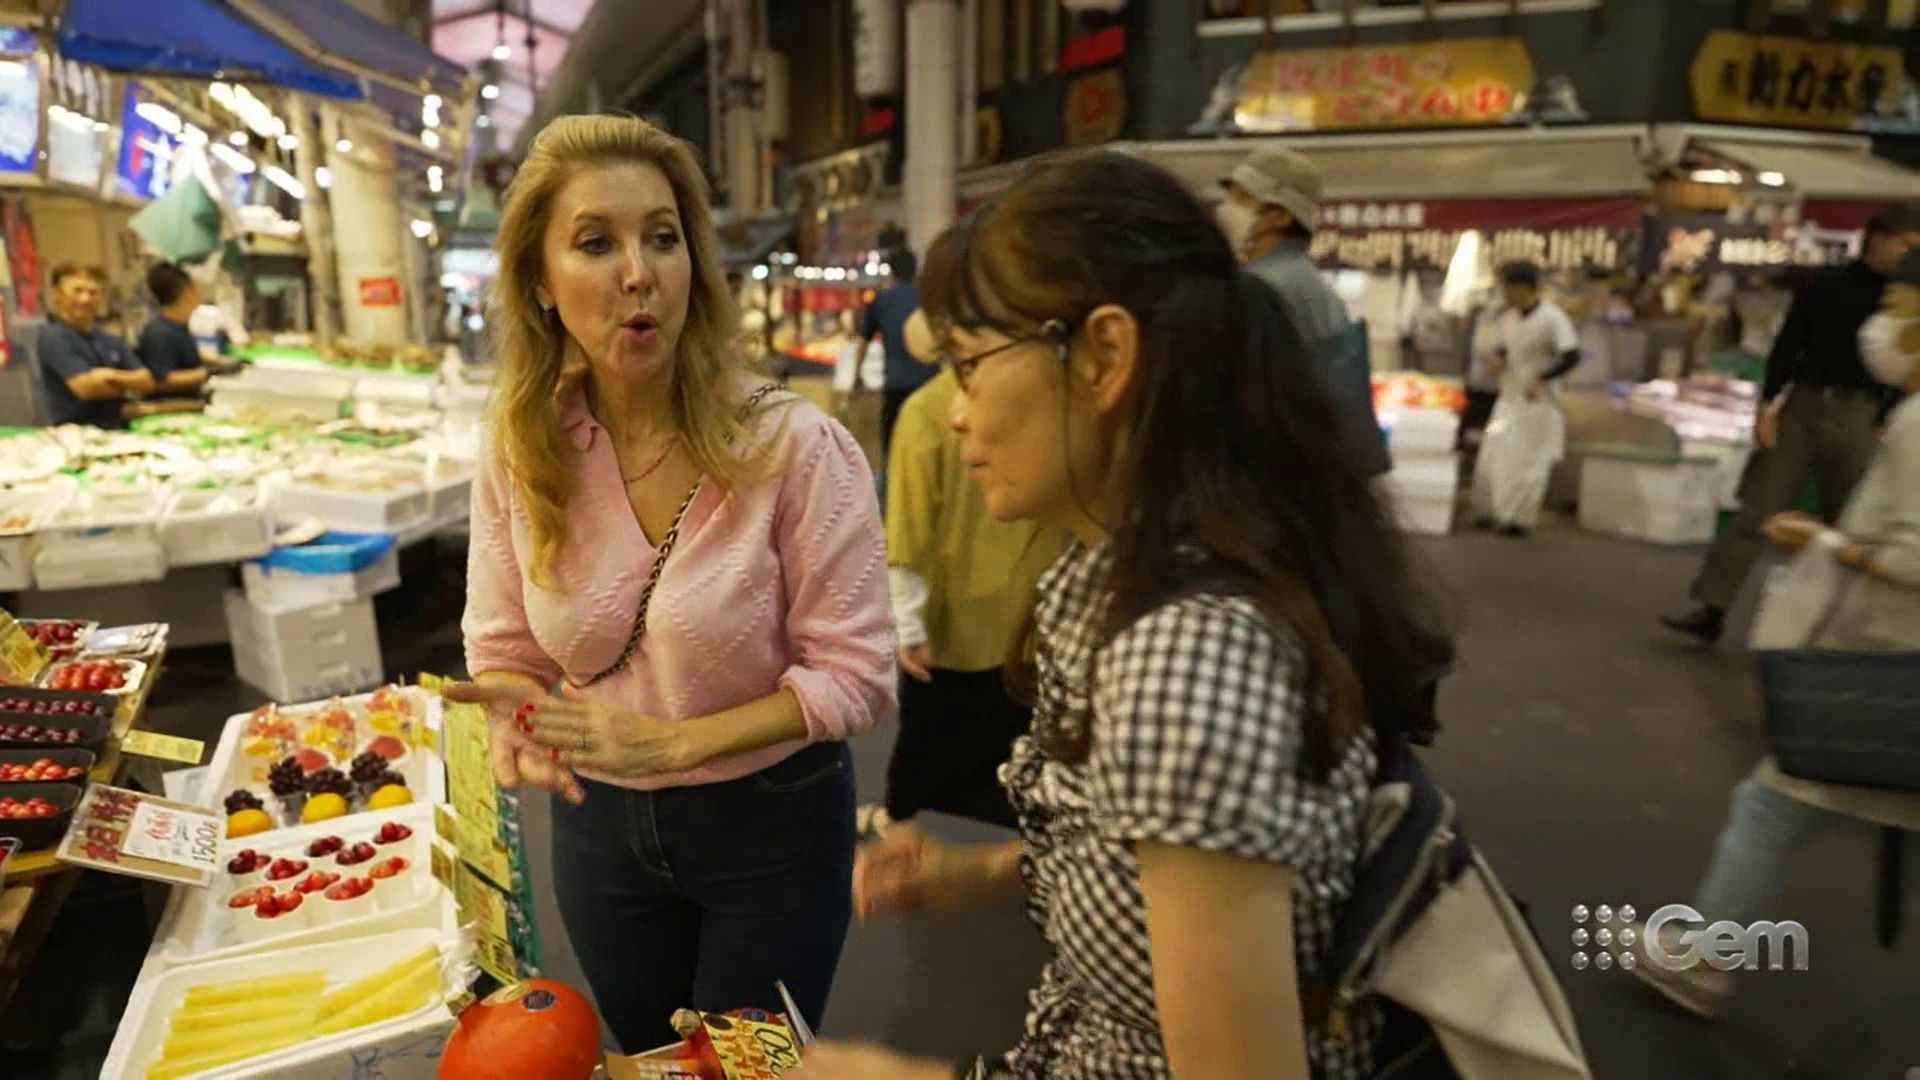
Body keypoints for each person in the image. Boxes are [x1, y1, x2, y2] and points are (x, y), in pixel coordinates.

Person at [790, 149, 1453, 1080]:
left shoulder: (1186, 657)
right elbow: (1154, 862)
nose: (955, 414)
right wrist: (976, 872)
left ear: (1104, 356)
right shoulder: (1126, 575)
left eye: (971, 367)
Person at [448, 115, 894, 1052]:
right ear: (540, 282)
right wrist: (516, 717)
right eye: (595, 244)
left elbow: (856, 675)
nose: (638, 273)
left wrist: (675, 744)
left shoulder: (795, 447)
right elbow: (504, 649)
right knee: (652, 1060)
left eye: (662, 237)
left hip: (771, 820)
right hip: (598, 834)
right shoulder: (524, 450)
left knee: (750, 1073)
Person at [1630, 249, 1920, 1018]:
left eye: (1896, 306)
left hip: (1892, 665)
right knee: (1780, 802)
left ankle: (1704, 958)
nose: (1878, 325)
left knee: (1776, 800)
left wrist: (1829, 544)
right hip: (1889, 658)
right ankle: (1705, 956)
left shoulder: (1919, 424)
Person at [1663, 203, 1920, 644]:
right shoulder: (1825, 284)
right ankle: (1712, 606)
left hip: (1864, 413)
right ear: (1877, 237)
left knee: (1855, 520)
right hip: (1803, 404)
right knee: (1758, 508)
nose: (1909, 254)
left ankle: (1834, 629)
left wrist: (1887, 416)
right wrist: (1767, 404)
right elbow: (1788, 343)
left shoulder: (1905, 297)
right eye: (1906, 243)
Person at [873, 297, 1064, 834]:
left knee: (931, 746)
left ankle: (906, 834)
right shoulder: (1039, 404)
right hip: (1037, 610)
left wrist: (907, 623)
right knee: (1020, 739)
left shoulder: (925, 412)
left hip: (955, 618)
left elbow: (908, 526)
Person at [1217, 145, 1389, 478]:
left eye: (1243, 198)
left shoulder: (1260, 286)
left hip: (1272, 473)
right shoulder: (1310, 282)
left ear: (1281, 216)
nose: (1227, 207)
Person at [1470, 261, 1581, 537]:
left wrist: (1543, 378)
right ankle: (1489, 511)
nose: (1506, 295)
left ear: (1526, 288)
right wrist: (1497, 360)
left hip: (1537, 403)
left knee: (1525, 462)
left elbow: (1571, 356)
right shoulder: (1508, 318)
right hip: (1508, 397)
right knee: (1494, 454)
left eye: (1510, 288)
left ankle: (1517, 519)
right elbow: (1505, 348)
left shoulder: (1552, 318)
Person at [36, 263, 150, 427]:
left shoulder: (109, 339)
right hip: (77, 431)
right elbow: (85, 389)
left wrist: (109, 375)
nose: (85, 299)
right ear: (57, 294)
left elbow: (146, 380)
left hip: (119, 426)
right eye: (77, 291)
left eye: (93, 292)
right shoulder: (54, 336)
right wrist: (127, 386)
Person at [859, 247, 929, 454]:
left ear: (891, 271)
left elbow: (863, 342)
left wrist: (856, 375)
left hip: (896, 385)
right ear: (915, 270)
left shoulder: (882, 300)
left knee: (893, 448)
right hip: (928, 384)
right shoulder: (927, 298)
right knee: (924, 447)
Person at [136, 262, 213, 399]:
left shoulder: (178, 326)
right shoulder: (159, 333)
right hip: (173, 408)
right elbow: (162, 380)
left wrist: (222, 362)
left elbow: (184, 355)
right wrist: (208, 373)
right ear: (187, 292)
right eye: (195, 287)